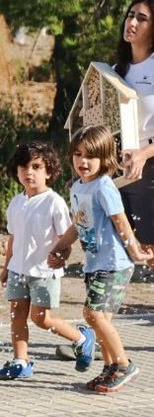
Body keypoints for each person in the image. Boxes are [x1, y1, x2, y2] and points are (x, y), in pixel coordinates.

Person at [48, 125, 151, 392]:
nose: (83, 161)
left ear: (104, 158)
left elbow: (120, 221)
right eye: (78, 154)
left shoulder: (104, 187)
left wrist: (135, 250)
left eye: (90, 156)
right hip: (95, 263)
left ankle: (123, 364)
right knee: (102, 318)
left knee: (92, 314)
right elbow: (77, 224)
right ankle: (109, 368)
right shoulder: (78, 188)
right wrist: (61, 247)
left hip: (115, 264)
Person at [0, 142, 92, 381]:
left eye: (36, 167)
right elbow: (13, 238)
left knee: (40, 318)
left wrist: (62, 257)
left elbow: (65, 238)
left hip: (44, 271)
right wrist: (7, 267)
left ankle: (81, 338)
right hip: (18, 269)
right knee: (17, 315)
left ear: (49, 172)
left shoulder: (54, 202)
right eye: (24, 167)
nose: (29, 172)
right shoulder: (16, 202)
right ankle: (21, 362)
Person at [101, 0, 154, 243]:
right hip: (121, 169)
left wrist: (143, 154)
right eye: (130, 15)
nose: (132, 23)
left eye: (141, 18)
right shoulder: (114, 71)